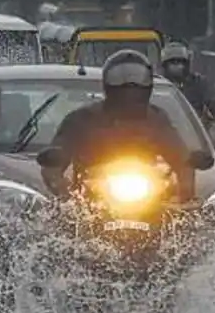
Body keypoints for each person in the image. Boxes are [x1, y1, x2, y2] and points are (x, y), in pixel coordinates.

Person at [42, 49, 196, 202]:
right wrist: (64, 191)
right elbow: (54, 161)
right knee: (57, 222)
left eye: (137, 79)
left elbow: (180, 156)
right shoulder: (81, 119)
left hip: (149, 199)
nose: (129, 86)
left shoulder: (157, 119)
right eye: (120, 79)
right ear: (107, 83)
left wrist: (184, 187)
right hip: (89, 203)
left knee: (188, 221)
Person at [160, 42, 211, 118]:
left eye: (182, 62)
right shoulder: (158, 84)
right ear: (165, 65)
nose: (179, 66)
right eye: (174, 62)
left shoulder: (197, 82)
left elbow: (212, 100)